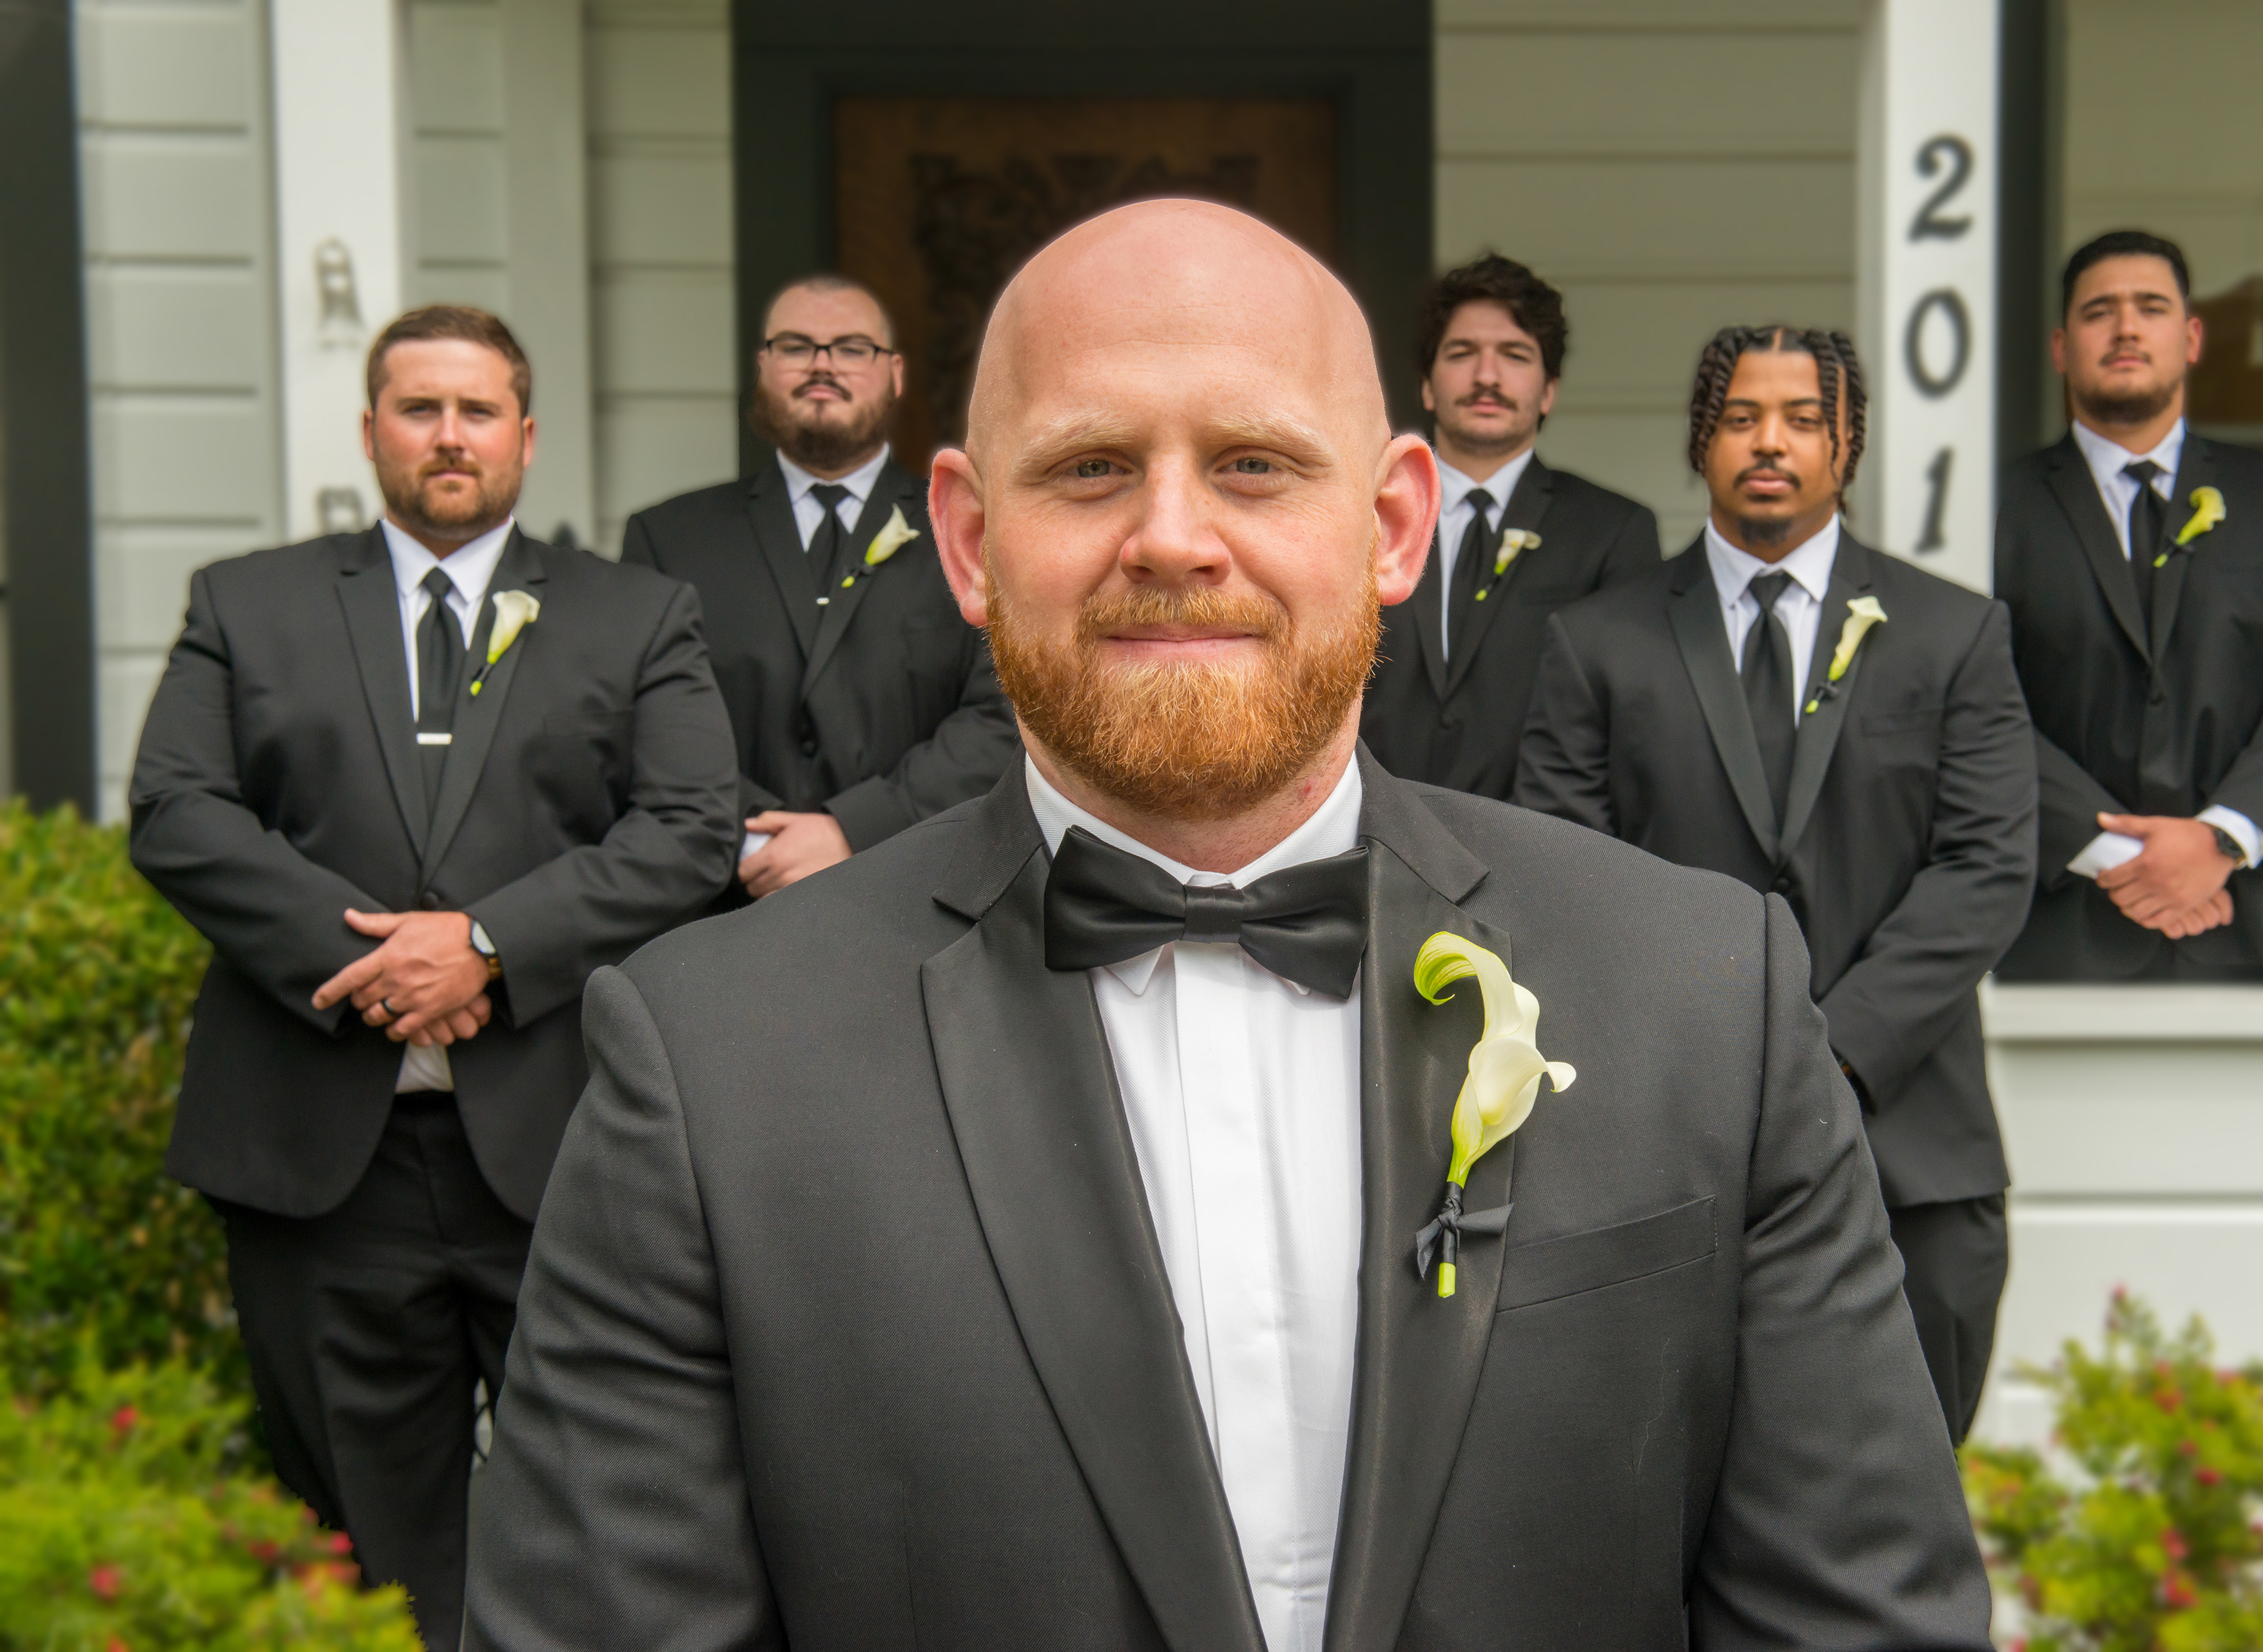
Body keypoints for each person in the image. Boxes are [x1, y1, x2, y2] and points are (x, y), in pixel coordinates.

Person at [465, 202, 1989, 1652]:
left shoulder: (1705, 997)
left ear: (1392, 522)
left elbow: (1854, 1618)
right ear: (969, 538)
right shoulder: (707, 1064)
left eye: (1255, 463)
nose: (1174, 537)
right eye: (1087, 470)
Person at [126, 306, 739, 1648]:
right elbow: (177, 811)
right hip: (317, 1155)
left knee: (598, 1501)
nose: (449, 435)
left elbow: (691, 826)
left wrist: (484, 946)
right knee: (361, 1533)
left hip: (564, 1144)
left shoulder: (636, 616)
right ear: (370, 432)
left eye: (477, 410)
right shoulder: (250, 600)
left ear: (524, 435)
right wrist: (382, 966)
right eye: (419, 408)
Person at [1515, 326, 2037, 1443]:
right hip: (1668, 1138)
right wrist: (1723, 1046)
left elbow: (1988, 865)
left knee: (1909, 1488)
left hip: (1914, 1150)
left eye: (1804, 418)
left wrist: (1837, 1046)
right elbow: (1567, 870)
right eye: (1743, 416)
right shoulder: (1596, 643)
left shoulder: (1955, 634)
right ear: (1702, 440)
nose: (1771, 441)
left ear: (1847, 444)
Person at [1996, 229, 2263, 979]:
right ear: (2062, 347)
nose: (2128, 327)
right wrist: (2119, 856)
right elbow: (1967, 699)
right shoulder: (1990, 509)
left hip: (2260, 924)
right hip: (2055, 929)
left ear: (2192, 337)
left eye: (2152, 307)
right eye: (2100, 311)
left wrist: (2220, 841)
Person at [621, 272, 1016, 902]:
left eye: (852, 348)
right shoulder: (668, 538)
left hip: (918, 895)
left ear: (895, 374)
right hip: (722, 902)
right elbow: (650, 720)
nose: (823, 365)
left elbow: (1004, 715)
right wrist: (758, 839)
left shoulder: (975, 532)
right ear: (763, 365)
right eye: (797, 346)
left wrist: (851, 830)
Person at [1358, 253, 1661, 799]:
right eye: (1462, 353)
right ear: (1427, 385)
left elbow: (1624, 723)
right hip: (1366, 837)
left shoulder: (1614, 532)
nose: (1486, 376)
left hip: (1539, 852)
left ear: (1548, 391)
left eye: (1515, 355)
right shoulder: (1361, 517)